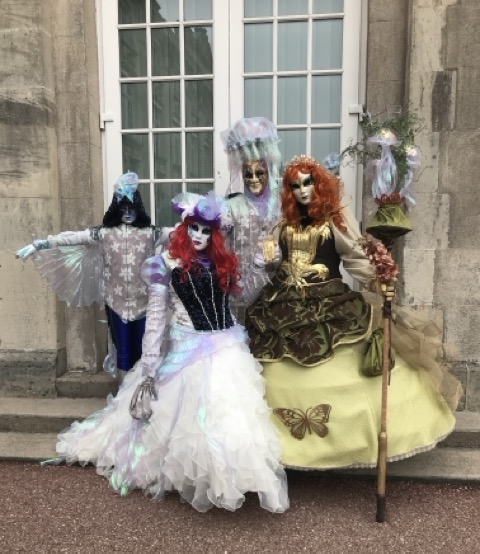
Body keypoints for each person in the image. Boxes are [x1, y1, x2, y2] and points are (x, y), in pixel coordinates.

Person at [52, 192, 289, 514]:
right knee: (190, 417)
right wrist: (149, 366)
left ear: (215, 234)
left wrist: (262, 265)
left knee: (230, 412)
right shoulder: (165, 264)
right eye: (194, 228)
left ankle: (228, 476)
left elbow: (243, 297)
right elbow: (155, 319)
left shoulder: (222, 262)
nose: (199, 235)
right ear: (184, 228)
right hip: (187, 348)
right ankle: (197, 476)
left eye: (206, 230)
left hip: (226, 345)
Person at [245, 155, 461, 470]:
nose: (302, 190)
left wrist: (377, 280)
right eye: (295, 185)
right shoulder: (281, 223)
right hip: (282, 304)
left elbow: (355, 257)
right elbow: (271, 261)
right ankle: (282, 446)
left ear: (318, 183)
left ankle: (350, 442)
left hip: (329, 302)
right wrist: (265, 257)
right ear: (288, 190)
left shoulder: (335, 218)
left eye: (307, 183)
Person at [16, 172, 168, 382]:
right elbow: (73, 238)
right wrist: (41, 244)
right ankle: (124, 395)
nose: (127, 213)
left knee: (146, 350)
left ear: (138, 208)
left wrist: (207, 221)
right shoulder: (103, 234)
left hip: (146, 303)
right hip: (117, 304)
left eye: (131, 208)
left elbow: (180, 234)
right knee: (124, 351)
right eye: (122, 208)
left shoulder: (152, 233)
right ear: (116, 209)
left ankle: (143, 394)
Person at [220, 117, 283, 320]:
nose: (254, 179)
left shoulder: (281, 205)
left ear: (269, 171)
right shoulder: (231, 206)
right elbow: (221, 251)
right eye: (248, 174)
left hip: (277, 292)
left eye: (260, 173)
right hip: (240, 292)